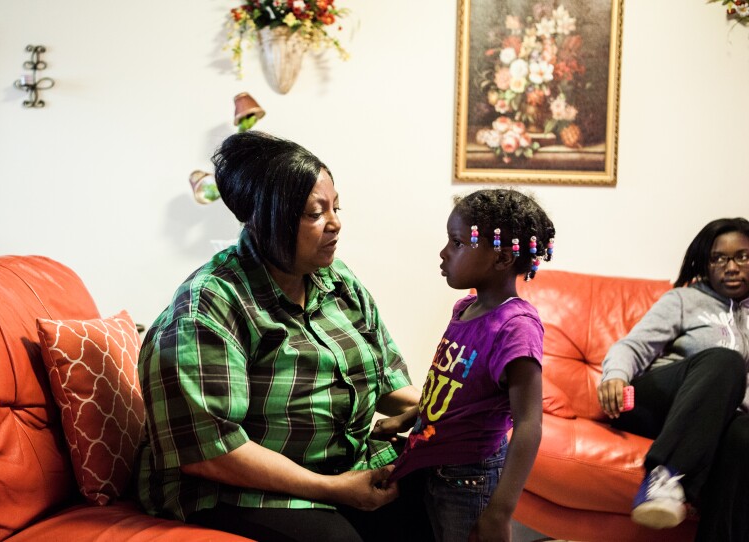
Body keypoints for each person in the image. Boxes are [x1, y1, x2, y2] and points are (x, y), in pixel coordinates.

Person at [135, 131, 428, 542]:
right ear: (264, 218)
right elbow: (210, 450)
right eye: (314, 213)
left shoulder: (338, 282)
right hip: (234, 487)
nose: (335, 223)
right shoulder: (210, 306)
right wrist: (333, 489)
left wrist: (453, 408)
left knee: (441, 502)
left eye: (335, 207)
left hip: (342, 467)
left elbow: (387, 384)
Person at [372, 189, 555, 542]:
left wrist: (500, 512)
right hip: (431, 463)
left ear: (501, 259)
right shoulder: (464, 309)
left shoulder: (516, 327)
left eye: (457, 243)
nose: (444, 252)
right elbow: (451, 388)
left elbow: (530, 424)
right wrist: (406, 418)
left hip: (469, 482)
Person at [596, 217, 749, 540]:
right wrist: (616, 375)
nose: (731, 267)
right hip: (658, 401)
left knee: (743, 434)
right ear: (705, 264)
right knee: (726, 360)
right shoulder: (683, 300)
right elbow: (633, 345)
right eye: (719, 258)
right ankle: (664, 476)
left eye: (742, 257)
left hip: (718, 418)